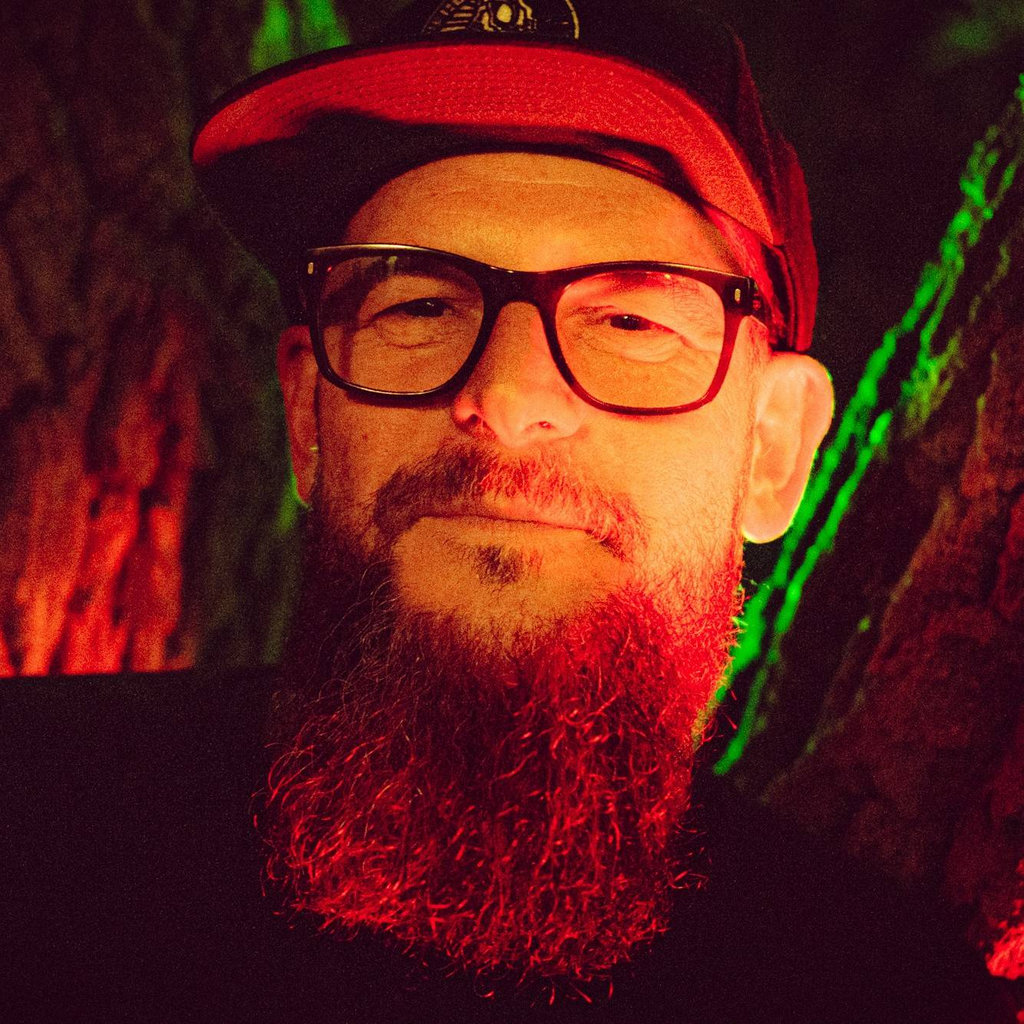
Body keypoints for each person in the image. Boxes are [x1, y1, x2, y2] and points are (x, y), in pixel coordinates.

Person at [3, 1, 1014, 1021]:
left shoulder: (890, 997)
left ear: (773, 449)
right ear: (308, 416)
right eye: (420, 307)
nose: (506, 394)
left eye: (629, 320)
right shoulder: (29, 828)